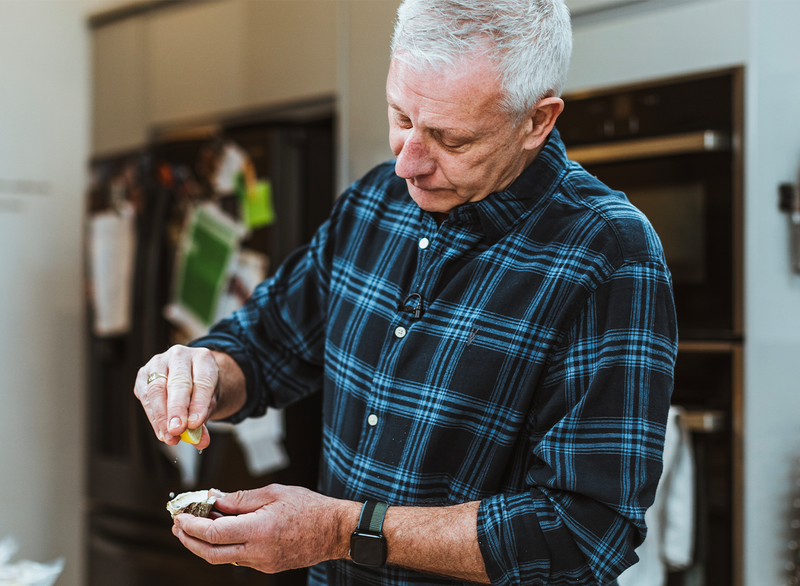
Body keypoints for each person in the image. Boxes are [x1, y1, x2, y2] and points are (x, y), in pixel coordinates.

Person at [133, 1, 678, 585]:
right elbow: (268, 346)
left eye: (450, 138)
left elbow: (583, 533)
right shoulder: (375, 201)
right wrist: (202, 372)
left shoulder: (611, 253)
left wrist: (341, 531)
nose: (407, 163)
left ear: (536, 122)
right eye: (400, 116)